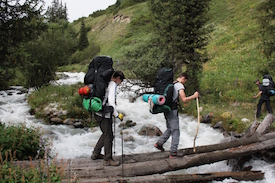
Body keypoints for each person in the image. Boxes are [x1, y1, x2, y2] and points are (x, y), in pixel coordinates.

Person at [154, 72, 199, 158]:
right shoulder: (180, 86)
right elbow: (184, 99)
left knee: (170, 128)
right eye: (185, 81)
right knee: (176, 131)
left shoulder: (172, 83)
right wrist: (194, 96)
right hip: (172, 110)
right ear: (183, 78)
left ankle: (159, 143)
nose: (184, 82)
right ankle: (173, 152)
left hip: (166, 108)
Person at [91, 70, 125, 166]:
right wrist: (117, 114)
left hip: (97, 111)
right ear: (118, 78)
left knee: (106, 133)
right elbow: (111, 102)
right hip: (104, 114)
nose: (120, 83)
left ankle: (96, 153)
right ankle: (108, 159)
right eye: (121, 81)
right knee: (108, 136)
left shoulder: (104, 82)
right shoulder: (112, 84)